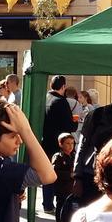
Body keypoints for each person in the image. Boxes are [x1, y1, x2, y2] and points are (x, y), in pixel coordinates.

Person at [42, 75, 74, 213]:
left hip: (46, 142)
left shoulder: (45, 99)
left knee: (47, 174)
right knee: (60, 175)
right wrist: (75, 122)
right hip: (59, 144)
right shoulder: (61, 102)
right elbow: (69, 125)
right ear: (63, 87)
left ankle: (47, 203)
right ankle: (59, 203)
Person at [50, 133, 76, 214]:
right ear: (61, 144)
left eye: (72, 143)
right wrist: (69, 174)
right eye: (67, 143)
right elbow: (55, 171)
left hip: (72, 186)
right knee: (61, 206)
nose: (71, 146)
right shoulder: (58, 156)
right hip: (62, 186)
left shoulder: (74, 155)